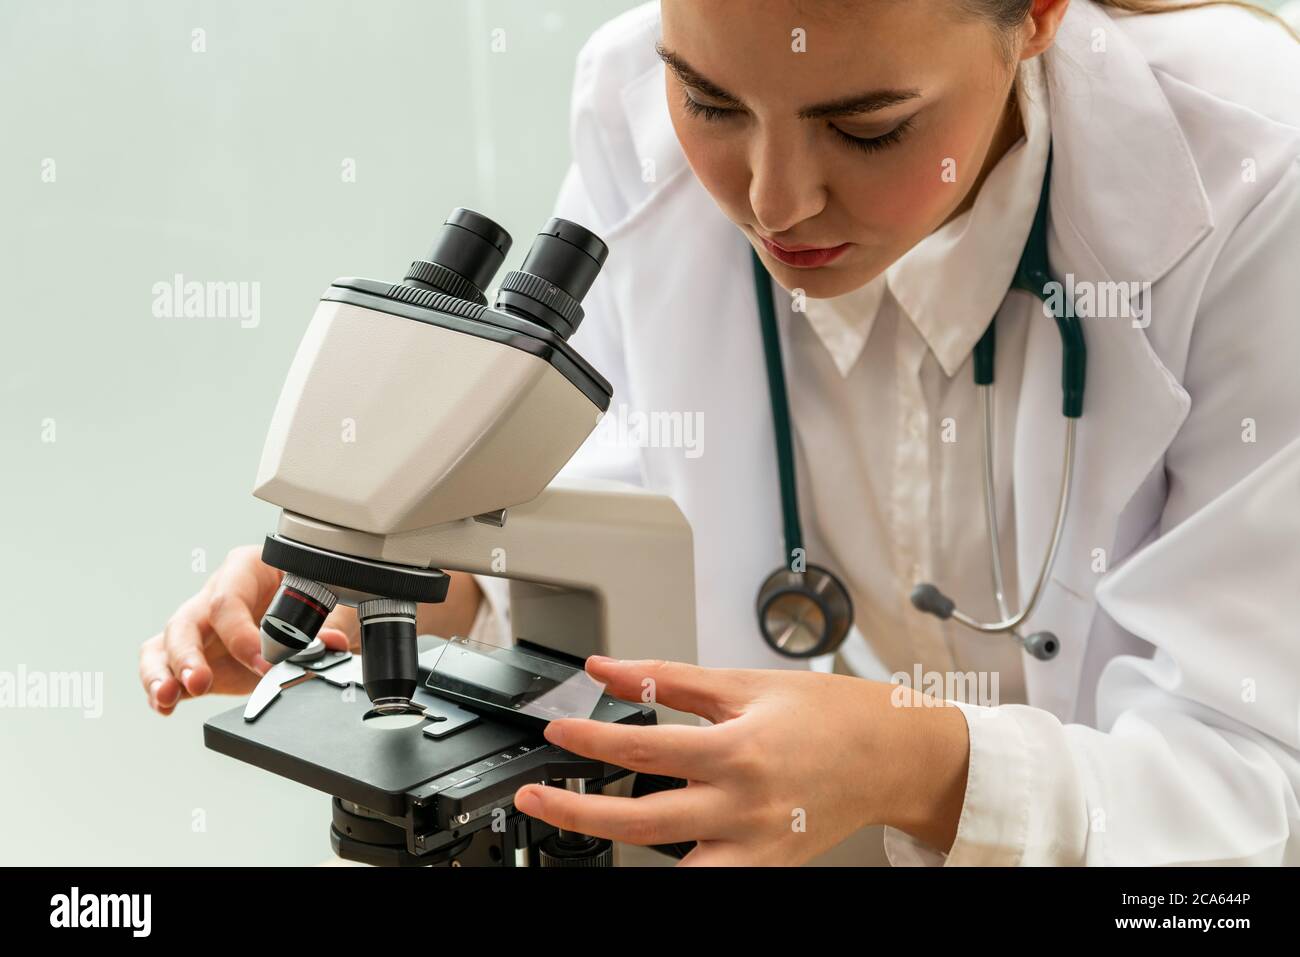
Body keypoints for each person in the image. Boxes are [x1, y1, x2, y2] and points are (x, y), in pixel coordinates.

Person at [140, 0, 1300, 866]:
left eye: (867, 127)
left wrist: (918, 764)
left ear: (1035, 17)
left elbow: (1259, 786)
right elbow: (617, 486)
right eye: (709, 104)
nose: (774, 200)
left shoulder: (1253, 168)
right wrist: (404, 574)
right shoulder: (624, 106)